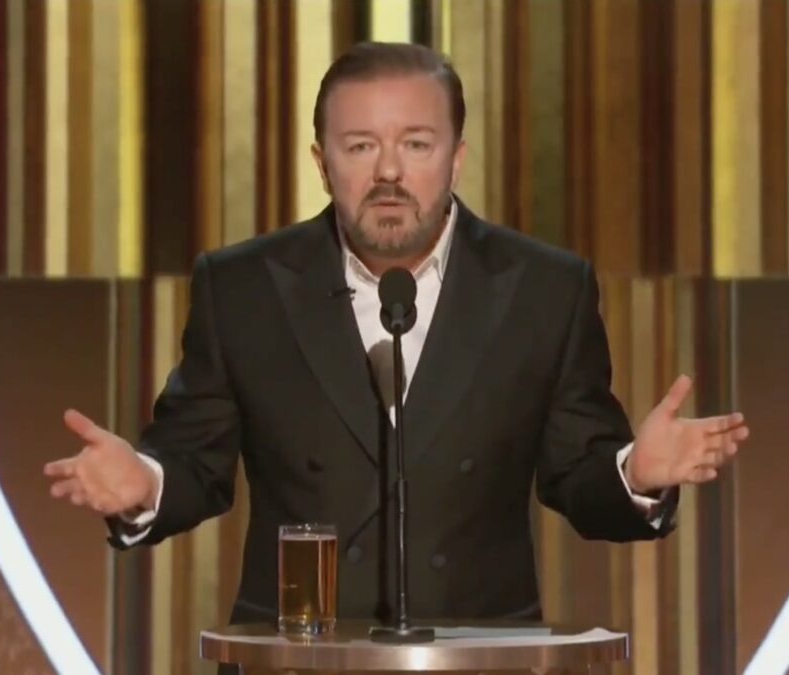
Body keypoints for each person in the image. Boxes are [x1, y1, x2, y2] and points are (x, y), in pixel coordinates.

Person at [44, 42, 749, 626]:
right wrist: (143, 484)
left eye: (416, 143)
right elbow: (193, 463)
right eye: (360, 146)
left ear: (457, 157)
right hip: (296, 657)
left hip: (479, 662)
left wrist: (635, 475)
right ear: (322, 162)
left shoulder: (544, 289)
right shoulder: (243, 288)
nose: (388, 171)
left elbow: (577, 474)